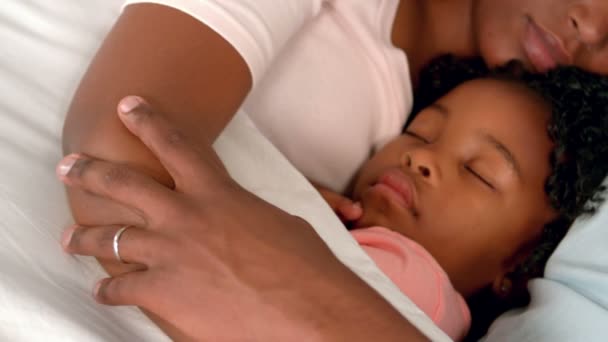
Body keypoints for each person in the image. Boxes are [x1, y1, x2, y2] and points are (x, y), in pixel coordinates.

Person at [58, 0, 608, 340]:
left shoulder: (400, 118)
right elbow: (121, 141)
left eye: (481, 172)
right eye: (421, 137)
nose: (592, 23)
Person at [313, 56, 608, 340]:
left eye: (477, 172)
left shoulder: (414, 286)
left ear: (520, 264)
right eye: (420, 132)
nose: (420, 157)